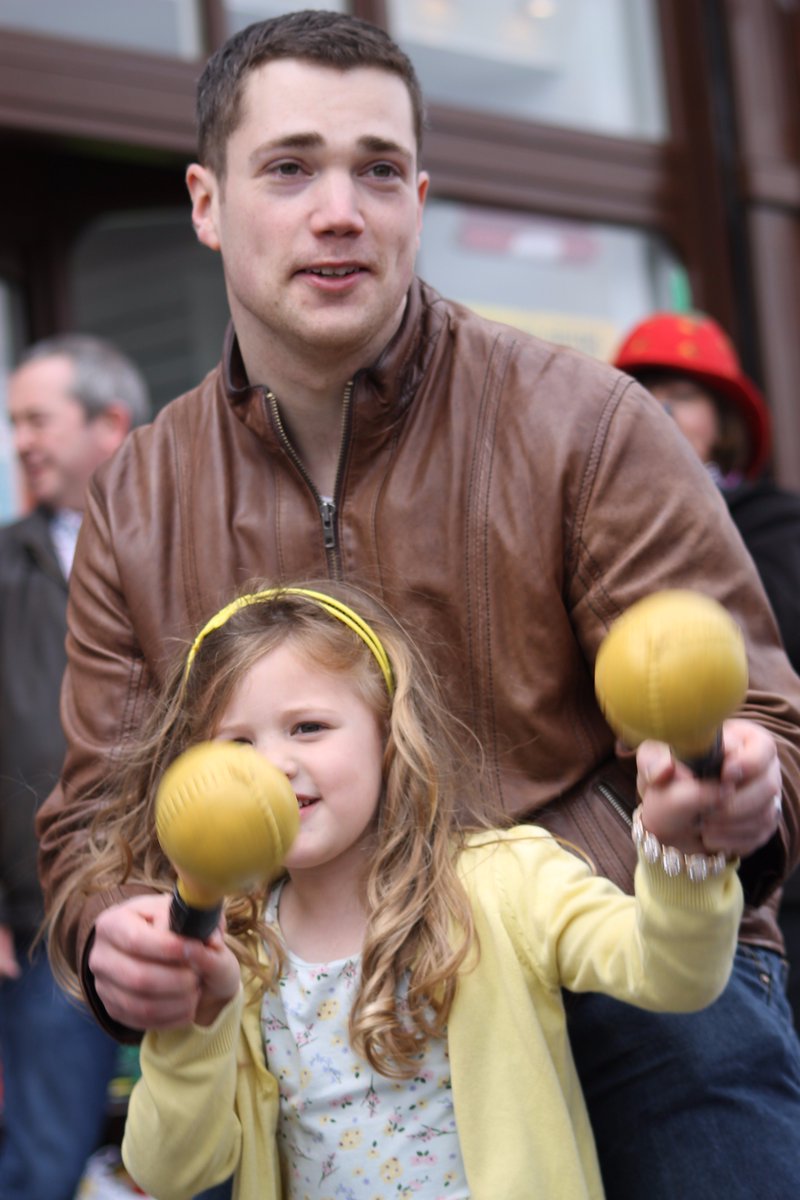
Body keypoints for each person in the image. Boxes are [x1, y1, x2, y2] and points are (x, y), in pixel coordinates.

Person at [36, 12, 800, 1199]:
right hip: (310, 1009)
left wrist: (728, 796)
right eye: (289, 168)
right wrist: (114, 938)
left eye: (377, 170)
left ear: (418, 198)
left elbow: (757, 716)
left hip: (613, 962)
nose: (339, 208)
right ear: (204, 202)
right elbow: (94, 819)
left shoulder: (584, 419)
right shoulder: (138, 497)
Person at [53, 581, 741, 1200]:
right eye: (236, 745)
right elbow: (169, 1170)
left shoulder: (505, 881)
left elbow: (673, 977)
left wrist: (684, 851)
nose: (273, 768)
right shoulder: (236, 951)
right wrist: (194, 1023)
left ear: (387, 732)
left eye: (309, 727)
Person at [613, 310, 800, 1030]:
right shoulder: (598, 524)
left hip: (768, 843)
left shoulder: (773, 524)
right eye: (643, 389)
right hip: (646, 874)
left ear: (723, 424)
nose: (660, 408)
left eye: (683, 394)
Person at [0, 334, 150, 1200]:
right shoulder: (5, 565)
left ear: (111, 425)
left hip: (197, 907)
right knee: (44, 1166)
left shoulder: (186, 541)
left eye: (37, 419)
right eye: (13, 421)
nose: (21, 440)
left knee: (210, 1161)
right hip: (42, 923)